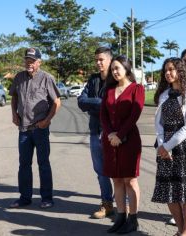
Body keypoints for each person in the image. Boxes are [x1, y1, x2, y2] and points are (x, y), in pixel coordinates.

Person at [152, 57, 186, 236]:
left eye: (172, 69)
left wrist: (167, 146)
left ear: (180, 71)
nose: (168, 73)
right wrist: (162, 146)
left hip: (185, 147)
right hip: (165, 148)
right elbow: (158, 124)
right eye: (166, 70)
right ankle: (180, 229)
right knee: (169, 192)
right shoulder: (163, 95)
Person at [9, 47, 61, 209]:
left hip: (40, 128)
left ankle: (47, 198)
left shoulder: (47, 78)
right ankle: (25, 197)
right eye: (27, 60)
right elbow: (14, 97)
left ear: (39, 62)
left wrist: (47, 120)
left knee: (43, 163)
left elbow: (57, 102)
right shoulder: (19, 77)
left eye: (32, 61)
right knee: (24, 164)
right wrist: (14, 114)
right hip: (24, 129)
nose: (29, 63)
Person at [100, 55, 145, 234]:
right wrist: (110, 133)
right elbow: (103, 114)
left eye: (117, 68)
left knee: (130, 179)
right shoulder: (109, 90)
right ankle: (120, 217)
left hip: (129, 140)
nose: (115, 72)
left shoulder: (137, 89)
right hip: (110, 140)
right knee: (116, 179)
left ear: (127, 68)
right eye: (112, 69)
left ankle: (133, 219)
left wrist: (120, 134)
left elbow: (135, 114)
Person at [77, 47, 114, 219]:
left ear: (109, 60)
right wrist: (100, 102)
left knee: (120, 171)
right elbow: (81, 102)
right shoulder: (93, 80)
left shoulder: (116, 79)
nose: (98, 63)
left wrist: (96, 105)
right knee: (100, 170)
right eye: (96, 60)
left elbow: (114, 105)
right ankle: (107, 203)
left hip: (113, 132)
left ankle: (125, 205)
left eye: (101, 59)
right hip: (95, 130)